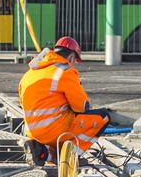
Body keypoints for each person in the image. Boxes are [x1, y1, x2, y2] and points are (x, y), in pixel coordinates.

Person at [17, 36, 110, 165]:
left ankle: (43, 151)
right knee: (103, 117)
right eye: (75, 61)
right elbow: (82, 107)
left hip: (32, 131)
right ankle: (69, 157)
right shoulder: (64, 72)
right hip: (52, 129)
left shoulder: (30, 73)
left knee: (64, 122)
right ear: (71, 57)